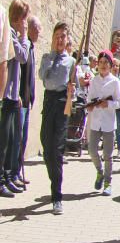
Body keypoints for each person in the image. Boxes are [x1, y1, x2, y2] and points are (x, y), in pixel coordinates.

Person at [39, 22, 75, 214]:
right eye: (57, 36)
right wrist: (52, 57)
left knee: (57, 150)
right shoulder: (46, 57)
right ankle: (54, 179)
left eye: (63, 36)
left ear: (67, 39)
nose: (60, 39)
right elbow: (42, 77)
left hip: (62, 103)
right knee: (46, 147)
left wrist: (72, 92)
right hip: (48, 101)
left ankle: (57, 196)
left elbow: (72, 86)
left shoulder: (71, 62)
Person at [0, 0, 30, 197]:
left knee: (10, 140)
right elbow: (22, 56)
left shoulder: (14, 35)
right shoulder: (9, 34)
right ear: (19, 17)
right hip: (5, 97)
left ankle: (7, 177)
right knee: (3, 143)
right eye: (24, 18)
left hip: (12, 96)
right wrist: (25, 35)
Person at [85, 50, 120, 196]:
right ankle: (99, 172)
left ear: (110, 64)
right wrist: (90, 105)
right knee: (92, 150)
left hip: (108, 123)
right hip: (95, 121)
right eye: (100, 62)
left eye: (105, 63)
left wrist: (108, 104)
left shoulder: (115, 82)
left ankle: (108, 182)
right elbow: (90, 98)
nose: (102, 65)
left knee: (107, 155)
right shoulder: (94, 81)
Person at [10, 14, 38, 188]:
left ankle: (16, 172)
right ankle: (12, 174)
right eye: (37, 29)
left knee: (22, 139)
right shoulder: (24, 45)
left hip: (27, 101)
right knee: (16, 140)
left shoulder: (31, 47)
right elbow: (19, 70)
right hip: (20, 99)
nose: (39, 32)